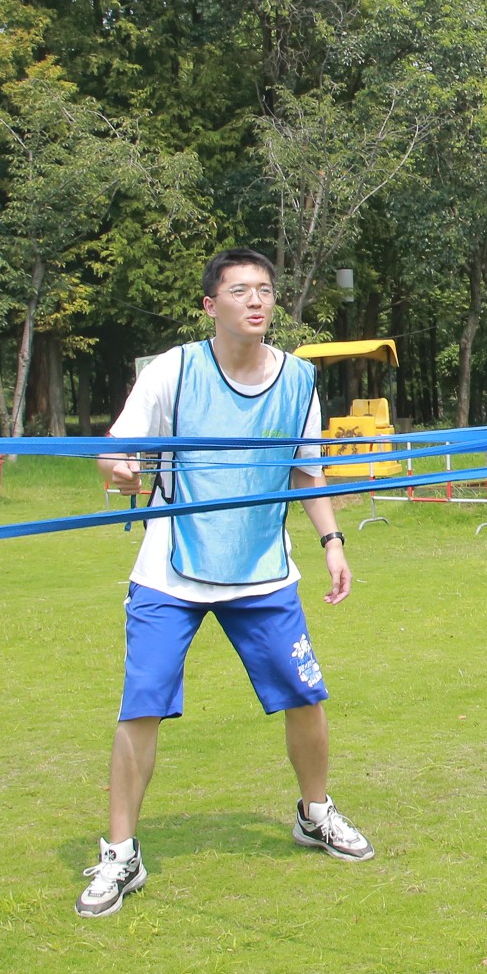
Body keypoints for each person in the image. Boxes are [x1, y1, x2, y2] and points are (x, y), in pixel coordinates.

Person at [81, 249, 364, 918]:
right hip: (170, 570)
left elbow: (306, 470)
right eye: (240, 291)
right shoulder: (173, 370)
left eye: (264, 289)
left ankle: (315, 813)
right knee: (140, 706)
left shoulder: (298, 379)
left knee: (305, 696)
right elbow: (113, 451)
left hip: (263, 569)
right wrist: (119, 469)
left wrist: (331, 542)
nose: (256, 300)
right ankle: (121, 853)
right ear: (211, 306)